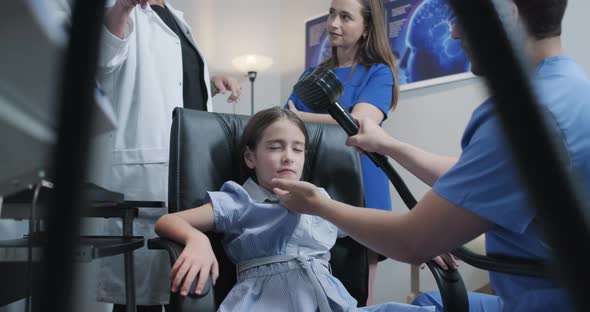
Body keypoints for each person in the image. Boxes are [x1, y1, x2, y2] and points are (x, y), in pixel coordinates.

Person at [272, 0, 589, 311]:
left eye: (461, 17)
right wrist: (390, 146)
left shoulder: (524, 118)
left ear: (507, 15)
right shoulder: (568, 86)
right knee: (427, 302)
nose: (453, 33)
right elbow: (476, 174)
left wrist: (319, 206)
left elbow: (411, 241)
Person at [154, 107, 434, 312]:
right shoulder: (240, 200)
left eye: (298, 149)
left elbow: (370, 226)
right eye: (276, 147)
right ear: (250, 157)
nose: (288, 156)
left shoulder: (319, 200)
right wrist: (197, 240)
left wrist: (424, 236)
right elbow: (168, 221)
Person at [94, 1, 241, 311]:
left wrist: (209, 83)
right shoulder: (119, 9)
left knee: (184, 284)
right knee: (139, 297)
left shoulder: (175, 17)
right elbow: (103, 61)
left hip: (189, 168)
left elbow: (174, 85)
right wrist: (122, 7)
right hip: (150, 171)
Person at [285, 0, 400, 303]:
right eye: (332, 14)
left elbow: (362, 124)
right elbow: (285, 123)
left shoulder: (379, 73)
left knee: (358, 295)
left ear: (366, 28)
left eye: (345, 17)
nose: (334, 24)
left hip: (362, 185)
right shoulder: (311, 74)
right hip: (315, 184)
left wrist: (304, 118)